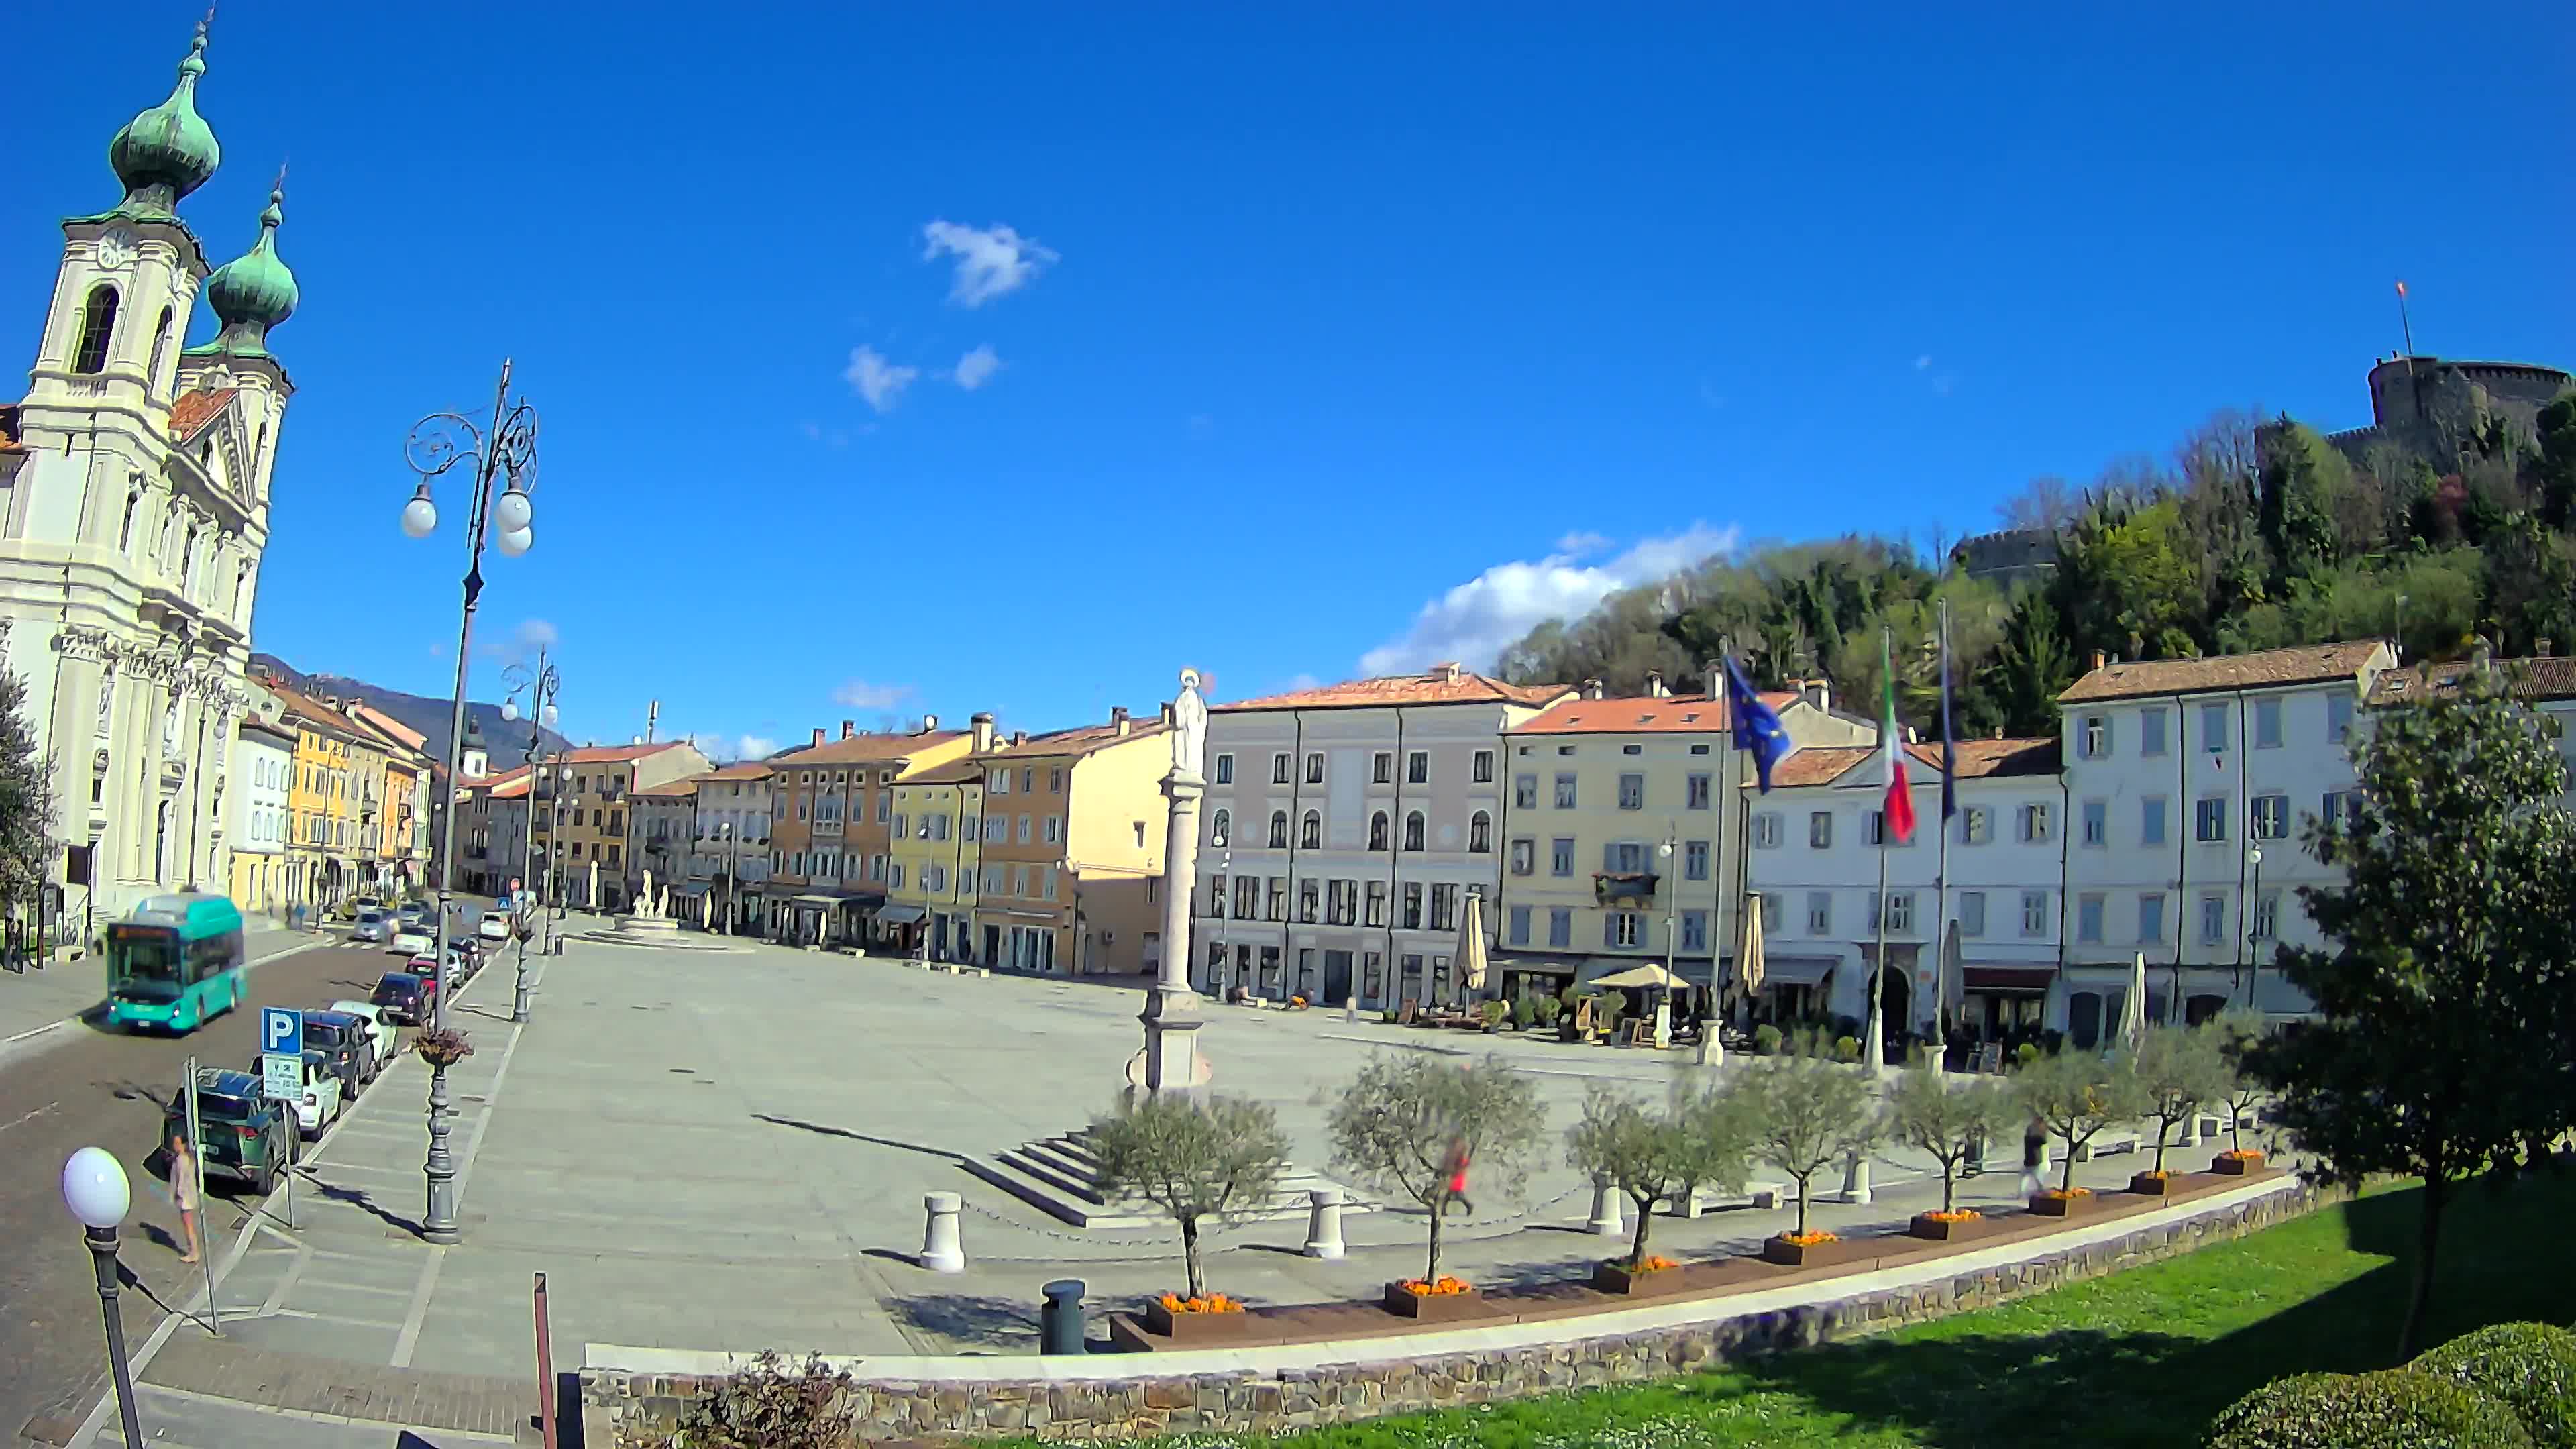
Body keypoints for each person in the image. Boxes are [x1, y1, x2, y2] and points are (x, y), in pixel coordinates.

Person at [168, 1130, 203, 1265]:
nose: (175, 1146)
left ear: (183, 1145)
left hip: (185, 1199)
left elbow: (182, 1179)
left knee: (188, 1225)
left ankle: (193, 1252)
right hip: (189, 1196)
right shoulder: (188, 1157)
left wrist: (178, 1195)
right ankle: (193, 1251)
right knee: (189, 1224)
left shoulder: (182, 1159)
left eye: (177, 1144)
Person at [1438, 1139, 1474, 1217]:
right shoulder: (1460, 1158)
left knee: (1456, 1195)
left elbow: (1461, 1169)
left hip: (1457, 1179)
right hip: (1455, 1179)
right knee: (1449, 1196)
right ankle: (1443, 1210)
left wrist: (1454, 1172)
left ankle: (1469, 1206)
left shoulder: (1462, 1159)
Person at [2018, 1115, 2049, 1199]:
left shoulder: (2029, 1138)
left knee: (2027, 1177)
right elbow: (2044, 1141)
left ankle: (2021, 1194)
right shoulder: (2035, 1139)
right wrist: (2042, 1130)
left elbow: (2043, 1140)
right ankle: (2040, 1191)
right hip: (2034, 1161)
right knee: (2037, 1178)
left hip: (2030, 1161)